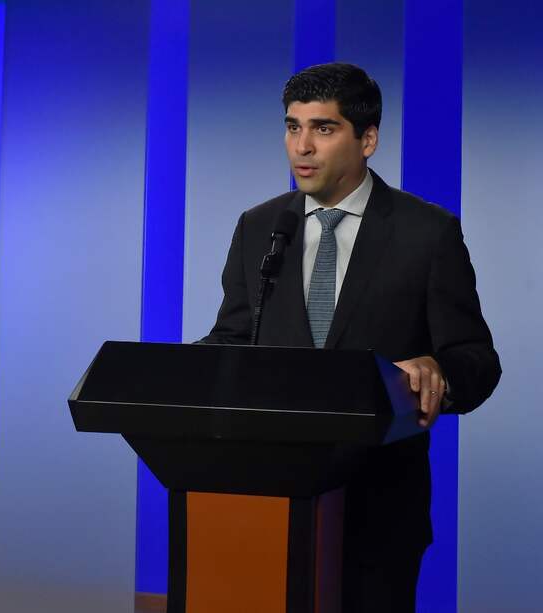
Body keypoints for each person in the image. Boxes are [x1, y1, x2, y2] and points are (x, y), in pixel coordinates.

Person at [202, 63, 500, 611]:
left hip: (379, 510)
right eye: (293, 127)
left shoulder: (426, 232)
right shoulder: (260, 226)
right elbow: (232, 339)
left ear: (368, 139)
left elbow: (476, 358)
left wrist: (439, 372)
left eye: (323, 128)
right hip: (267, 503)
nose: (303, 147)